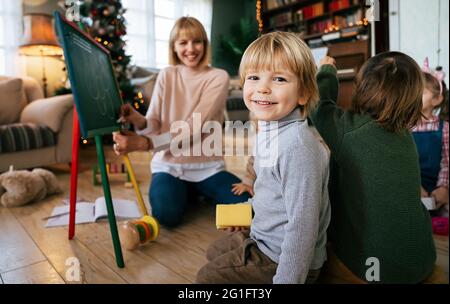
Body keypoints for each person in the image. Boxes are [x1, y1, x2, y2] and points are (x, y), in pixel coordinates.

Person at [196, 32, 331, 284]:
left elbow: (302, 229)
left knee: (206, 279)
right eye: (254, 77)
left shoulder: (297, 148)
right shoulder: (269, 130)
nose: (262, 88)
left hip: (281, 258)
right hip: (262, 236)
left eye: (279, 78)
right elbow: (270, 194)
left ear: (303, 94)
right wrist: (248, 214)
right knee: (213, 252)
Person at [311, 53, 445, 283]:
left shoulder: (347, 130)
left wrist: (326, 71)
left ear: (361, 88)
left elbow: (319, 106)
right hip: (421, 261)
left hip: (375, 270)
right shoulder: (405, 136)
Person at [113, 17, 250, 228]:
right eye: (183, 43)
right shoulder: (166, 75)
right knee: (166, 217)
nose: (191, 49)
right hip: (168, 166)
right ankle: (188, 193)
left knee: (247, 206)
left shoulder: (218, 77)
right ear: (174, 47)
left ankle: (194, 191)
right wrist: (137, 119)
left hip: (207, 167)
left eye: (197, 41)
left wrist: (146, 144)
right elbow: (154, 122)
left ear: (205, 44)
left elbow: (195, 127)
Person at [412, 59, 448, 211]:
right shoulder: (404, 127)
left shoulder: (445, 128)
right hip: (411, 188)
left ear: (437, 99)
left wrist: (443, 188)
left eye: (422, 91)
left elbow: (447, 163)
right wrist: (414, 186)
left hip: (436, 193)